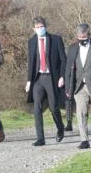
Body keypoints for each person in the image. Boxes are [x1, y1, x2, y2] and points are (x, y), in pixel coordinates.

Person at [25, 16, 67, 146]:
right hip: (38, 79)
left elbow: (63, 60)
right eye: (37, 27)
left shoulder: (56, 39)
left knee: (54, 107)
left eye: (41, 27)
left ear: (45, 26)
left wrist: (62, 76)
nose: (39, 29)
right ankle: (40, 138)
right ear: (34, 29)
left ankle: (60, 128)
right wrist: (29, 81)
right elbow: (31, 62)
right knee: (37, 107)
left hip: (52, 78)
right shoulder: (31, 41)